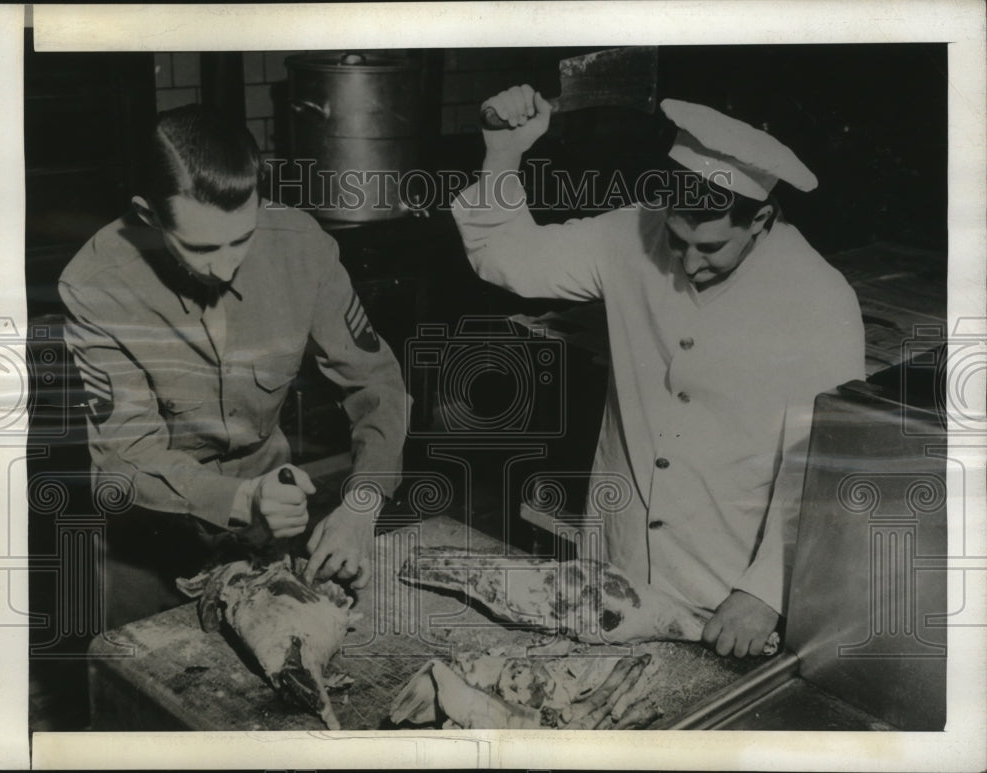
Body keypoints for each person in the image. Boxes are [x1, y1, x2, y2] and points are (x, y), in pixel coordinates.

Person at [451, 85, 865, 658]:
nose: (690, 264)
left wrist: (765, 591)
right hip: (616, 564)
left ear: (762, 219)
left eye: (712, 247)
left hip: (728, 594)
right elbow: (507, 257)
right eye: (677, 240)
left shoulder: (820, 300)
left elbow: (827, 464)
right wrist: (502, 155)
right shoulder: (631, 235)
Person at [59, 105, 410, 627]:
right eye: (200, 247)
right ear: (148, 215)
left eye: (241, 238)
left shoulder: (302, 248)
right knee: (139, 686)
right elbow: (126, 457)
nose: (226, 266)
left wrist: (362, 504)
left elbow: (376, 383)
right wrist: (242, 498)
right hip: (144, 537)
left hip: (269, 516)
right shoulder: (96, 285)